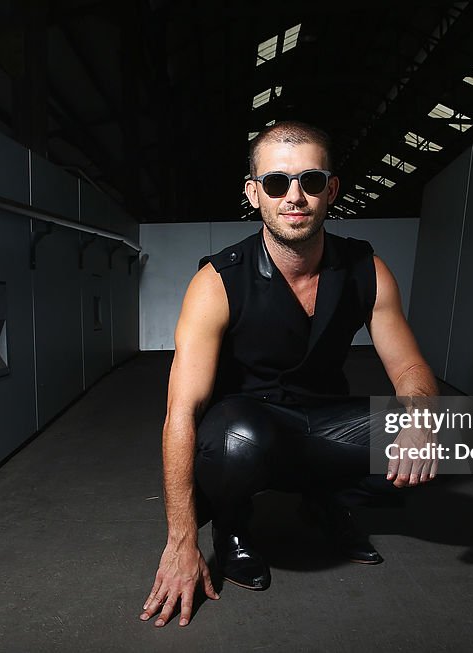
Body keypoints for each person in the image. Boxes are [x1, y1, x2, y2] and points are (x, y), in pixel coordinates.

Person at [140, 121, 439, 628]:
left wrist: (419, 418)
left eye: (311, 181)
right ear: (254, 194)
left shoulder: (366, 267)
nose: (294, 196)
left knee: (447, 434)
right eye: (277, 183)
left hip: (323, 419)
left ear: (332, 190)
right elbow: (181, 411)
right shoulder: (216, 281)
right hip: (247, 427)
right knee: (238, 442)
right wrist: (180, 542)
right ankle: (233, 525)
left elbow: (410, 368)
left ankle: (325, 500)